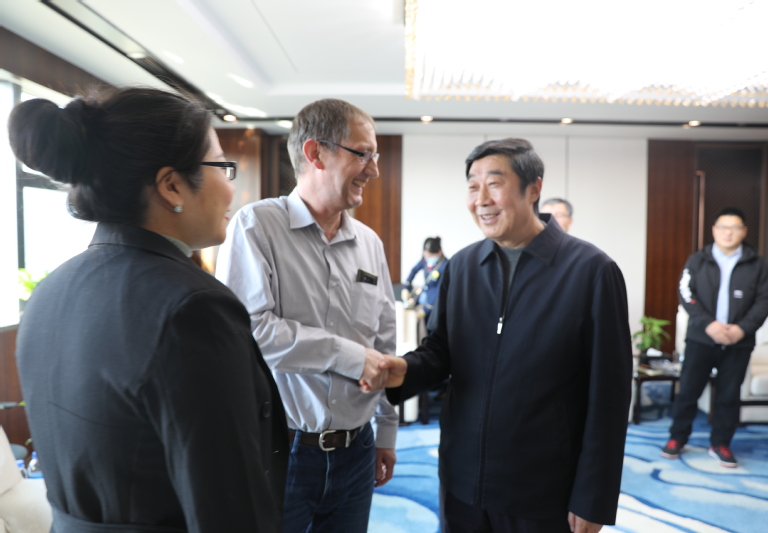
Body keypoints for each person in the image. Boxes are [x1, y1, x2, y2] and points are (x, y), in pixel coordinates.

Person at [10, 87, 287, 532]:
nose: (231, 187)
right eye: (221, 166)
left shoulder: (49, 293)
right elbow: (227, 504)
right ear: (171, 185)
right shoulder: (192, 309)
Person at [371, 138, 632, 533]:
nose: (481, 199)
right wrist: (403, 369)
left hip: (544, 490)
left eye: (494, 184)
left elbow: (609, 395)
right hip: (461, 482)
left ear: (534, 189)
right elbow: (441, 351)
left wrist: (593, 496)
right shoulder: (462, 267)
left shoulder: (592, 271)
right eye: (472, 187)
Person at [215, 98, 398, 533]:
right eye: (363, 154)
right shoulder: (256, 226)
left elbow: (384, 345)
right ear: (316, 153)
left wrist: (387, 431)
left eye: (375, 156)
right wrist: (350, 356)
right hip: (284, 451)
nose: (374, 170)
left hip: (359, 450)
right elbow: (250, 334)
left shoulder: (370, 243)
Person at [661, 207, 768, 468]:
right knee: (688, 391)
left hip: (738, 342)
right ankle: (677, 437)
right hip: (701, 338)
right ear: (714, 230)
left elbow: (765, 300)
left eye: (734, 228)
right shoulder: (697, 260)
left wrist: (742, 329)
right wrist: (709, 324)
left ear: (744, 231)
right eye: (723, 227)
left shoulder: (757, 264)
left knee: (729, 395)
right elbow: (686, 293)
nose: (728, 233)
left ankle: (721, 443)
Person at [401, 236, 449, 326]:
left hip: (434, 305)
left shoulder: (445, 266)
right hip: (423, 299)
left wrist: (426, 310)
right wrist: (406, 287)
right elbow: (414, 271)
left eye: (430, 255)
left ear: (440, 252)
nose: (427, 257)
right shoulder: (425, 260)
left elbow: (440, 291)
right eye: (426, 255)